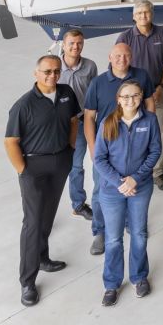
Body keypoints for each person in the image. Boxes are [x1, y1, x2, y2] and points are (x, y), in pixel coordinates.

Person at [4, 55, 80, 307]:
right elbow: (10, 142)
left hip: (60, 162)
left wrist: (70, 149)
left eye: (57, 71)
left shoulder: (67, 93)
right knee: (33, 222)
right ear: (36, 73)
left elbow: (73, 121)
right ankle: (27, 281)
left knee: (47, 216)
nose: (52, 76)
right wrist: (23, 170)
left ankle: (43, 258)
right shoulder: (23, 106)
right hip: (34, 167)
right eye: (47, 71)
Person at [93, 80, 162, 307]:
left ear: (141, 97)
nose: (130, 100)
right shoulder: (107, 122)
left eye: (134, 96)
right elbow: (99, 159)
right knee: (113, 239)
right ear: (118, 100)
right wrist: (119, 181)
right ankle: (111, 283)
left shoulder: (150, 121)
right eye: (125, 97)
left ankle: (139, 276)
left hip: (140, 188)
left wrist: (135, 178)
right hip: (112, 191)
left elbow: (155, 152)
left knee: (139, 233)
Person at [84, 44, 155, 256]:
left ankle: (128, 223)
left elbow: (150, 103)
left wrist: (148, 130)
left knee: (133, 190)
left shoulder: (142, 76)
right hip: (107, 149)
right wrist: (92, 146)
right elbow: (89, 116)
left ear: (131, 56)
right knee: (100, 191)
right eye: (117, 55)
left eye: (126, 55)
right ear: (110, 57)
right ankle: (100, 230)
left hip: (135, 146)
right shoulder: (98, 83)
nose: (121, 59)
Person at [116, 0, 163, 191]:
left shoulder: (162, 33)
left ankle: (158, 172)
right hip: (131, 98)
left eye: (147, 12)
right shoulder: (125, 37)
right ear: (134, 16)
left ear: (152, 14)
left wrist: (160, 86)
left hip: (157, 93)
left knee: (159, 131)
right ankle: (136, 172)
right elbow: (117, 66)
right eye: (139, 13)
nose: (143, 16)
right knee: (132, 133)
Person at [58, 29, 98, 220]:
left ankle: (78, 204)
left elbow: (93, 95)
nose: (76, 47)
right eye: (72, 43)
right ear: (63, 45)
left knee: (76, 166)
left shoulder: (90, 66)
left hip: (81, 122)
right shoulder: (55, 66)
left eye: (79, 43)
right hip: (58, 124)